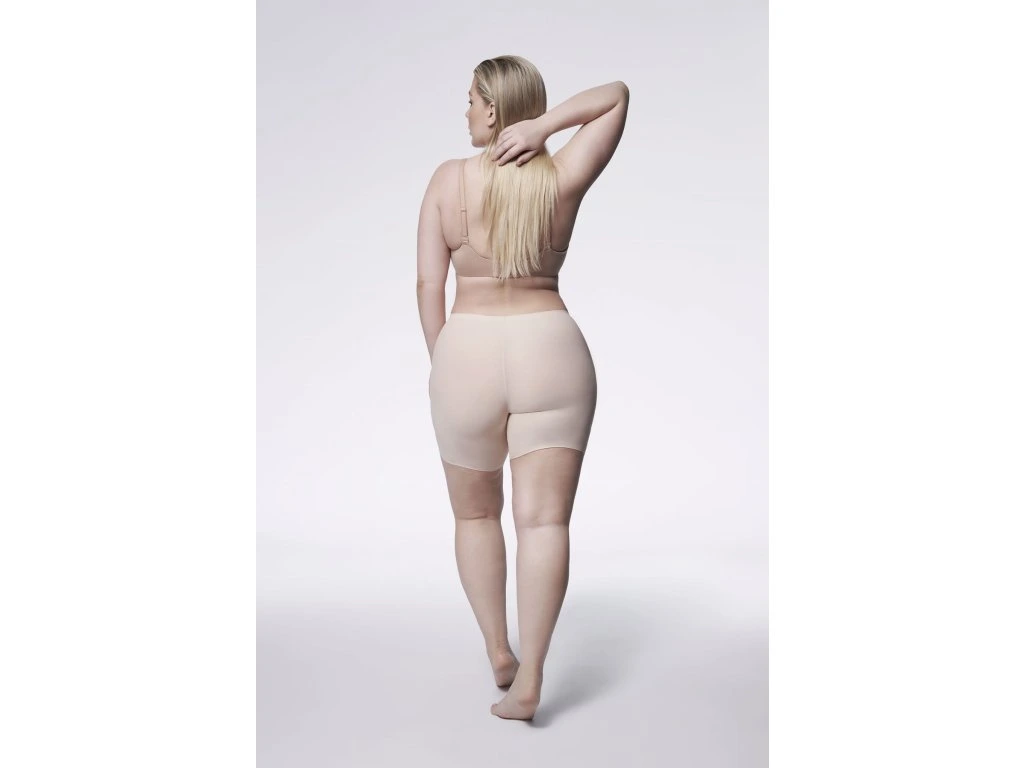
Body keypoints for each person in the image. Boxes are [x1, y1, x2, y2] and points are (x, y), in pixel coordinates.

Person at [416, 56, 629, 721]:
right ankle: (531, 678)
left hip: (468, 350)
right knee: (545, 521)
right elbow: (616, 96)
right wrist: (548, 127)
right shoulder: (559, 176)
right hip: (550, 349)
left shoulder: (447, 181)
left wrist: (444, 363)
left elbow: (428, 285)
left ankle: (499, 651)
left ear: (493, 108)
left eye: (472, 99)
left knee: (475, 515)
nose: (466, 111)